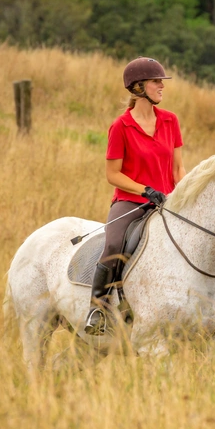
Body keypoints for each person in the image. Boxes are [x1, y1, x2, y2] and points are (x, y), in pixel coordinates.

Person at [85, 57, 186, 335]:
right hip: (131, 202)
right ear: (139, 86)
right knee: (114, 244)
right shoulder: (121, 127)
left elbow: (178, 168)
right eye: (156, 82)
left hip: (166, 202)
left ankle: (212, 305)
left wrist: (185, 194)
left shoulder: (170, 121)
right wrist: (144, 190)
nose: (161, 87)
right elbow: (113, 175)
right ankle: (98, 306)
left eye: (161, 82)